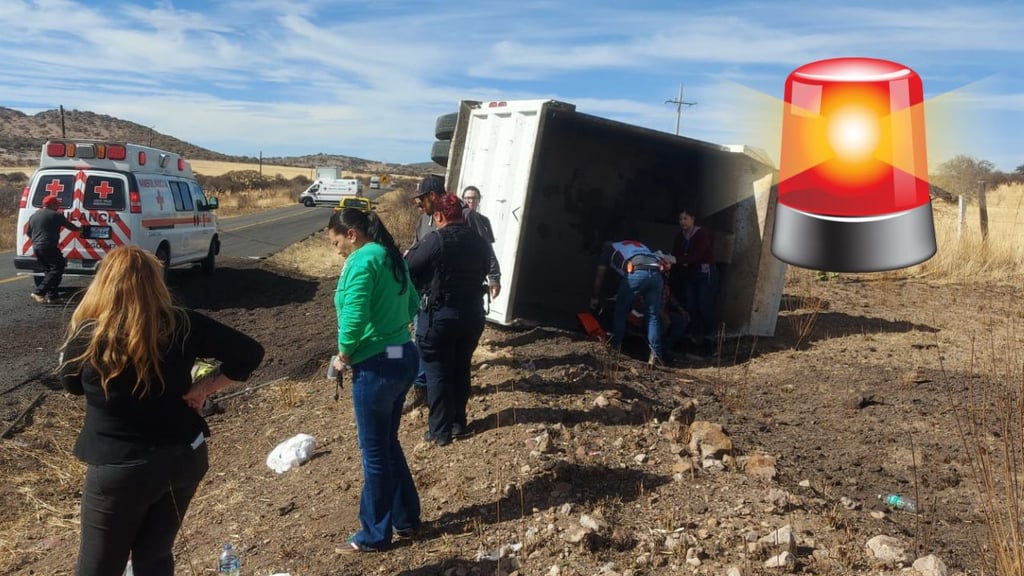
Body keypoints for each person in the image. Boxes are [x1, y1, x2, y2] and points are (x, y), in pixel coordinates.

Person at [57, 245, 264, 576]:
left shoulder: (89, 334)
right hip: (184, 456)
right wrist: (204, 388)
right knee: (154, 556)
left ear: (103, 283)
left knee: (99, 566)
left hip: (119, 467)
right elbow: (250, 353)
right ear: (156, 281)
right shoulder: (183, 323)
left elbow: (70, 385)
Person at [327, 208, 422, 553]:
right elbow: (412, 303)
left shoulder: (361, 261)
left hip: (377, 365)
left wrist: (344, 356)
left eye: (336, 241)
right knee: (388, 443)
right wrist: (390, 330)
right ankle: (407, 519)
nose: (336, 249)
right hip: (402, 354)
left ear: (351, 234)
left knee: (374, 453)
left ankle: (372, 535)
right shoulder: (391, 256)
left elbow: (353, 317)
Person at [403, 176, 500, 414]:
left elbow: (486, 249)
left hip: (455, 300)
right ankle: (423, 391)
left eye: (421, 199)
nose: (418, 205)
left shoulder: (467, 217)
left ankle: (443, 406)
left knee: (448, 358)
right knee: (422, 343)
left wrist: (494, 277)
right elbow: (416, 249)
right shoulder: (424, 220)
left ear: (433, 196)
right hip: (425, 295)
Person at [590, 240, 669, 364]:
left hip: (636, 272)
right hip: (656, 274)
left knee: (620, 311)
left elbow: (600, 276)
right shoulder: (637, 245)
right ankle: (656, 356)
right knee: (653, 316)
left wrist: (595, 296)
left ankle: (615, 350)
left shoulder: (609, 250)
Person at [671, 208, 719, 357]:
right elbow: (677, 252)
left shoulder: (701, 234)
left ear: (693, 219)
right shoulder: (681, 236)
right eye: (680, 219)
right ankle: (692, 337)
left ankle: (710, 338)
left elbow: (699, 254)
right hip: (690, 274)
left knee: (704, 305)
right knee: (690, 305)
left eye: (685, 218)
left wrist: (678, 260)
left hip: (705, 272)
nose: (683, 222)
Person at [27, 195, 84, 304]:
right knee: (58, 268)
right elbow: (70, 226)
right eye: (57, 203)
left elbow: (28, 232)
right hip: (49, 247)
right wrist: (80, 229)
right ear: (51, 204)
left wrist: (37, 241)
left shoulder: (34, 216)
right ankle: (39, 292)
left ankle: (53, 296)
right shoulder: (56, 215)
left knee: (50, 271)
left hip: (37, 248)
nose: (59, 205)